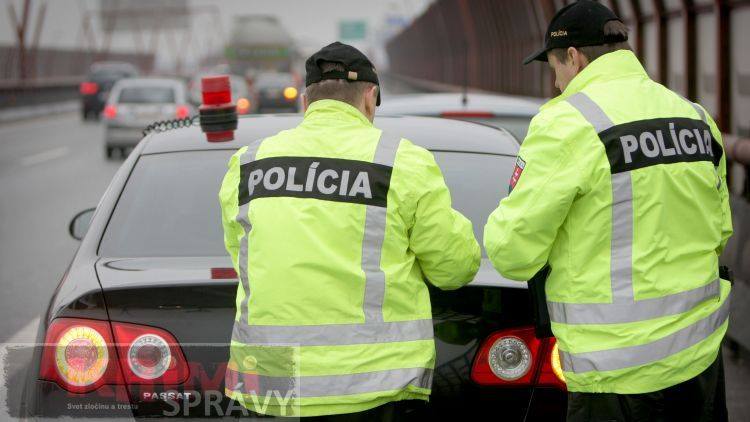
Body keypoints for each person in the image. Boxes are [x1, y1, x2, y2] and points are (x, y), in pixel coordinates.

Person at [483, 1, 732, 420]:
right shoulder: (695, 117)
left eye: (554, 68)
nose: (557, 83)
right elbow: (720, 228)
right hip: (699, 362)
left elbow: (511, 252)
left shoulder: (568, 124)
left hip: (615, 378)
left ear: (574, 58)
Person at [219, 42, 481, 419]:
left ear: (306, 102)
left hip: (273, 389)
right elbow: (455, 268)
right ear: (370, 98)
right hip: (373, 389)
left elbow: (241, 256)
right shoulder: (401, 162)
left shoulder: (249, 162)